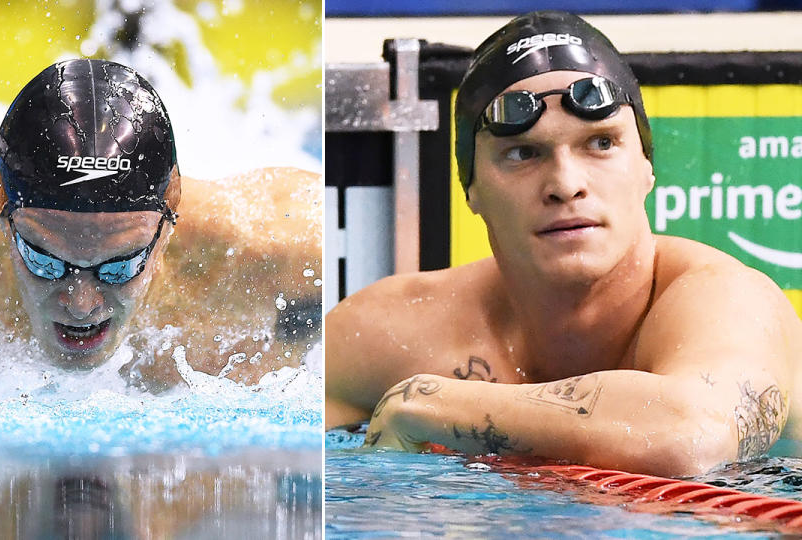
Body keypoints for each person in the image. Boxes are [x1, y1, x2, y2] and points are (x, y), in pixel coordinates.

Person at [325, 11, 802, 476]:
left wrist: (434, 403)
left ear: (646, 168)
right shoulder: (392, 333)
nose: (566, 184)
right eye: (522, 153)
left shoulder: (728, 301)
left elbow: (693, 438)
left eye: (600, 144)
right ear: (471, 189)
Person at [0, 59, 321, 388]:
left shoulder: (289, 258)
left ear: (173, 203)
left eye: (119, 267)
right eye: (45, 261)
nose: (81, 304)